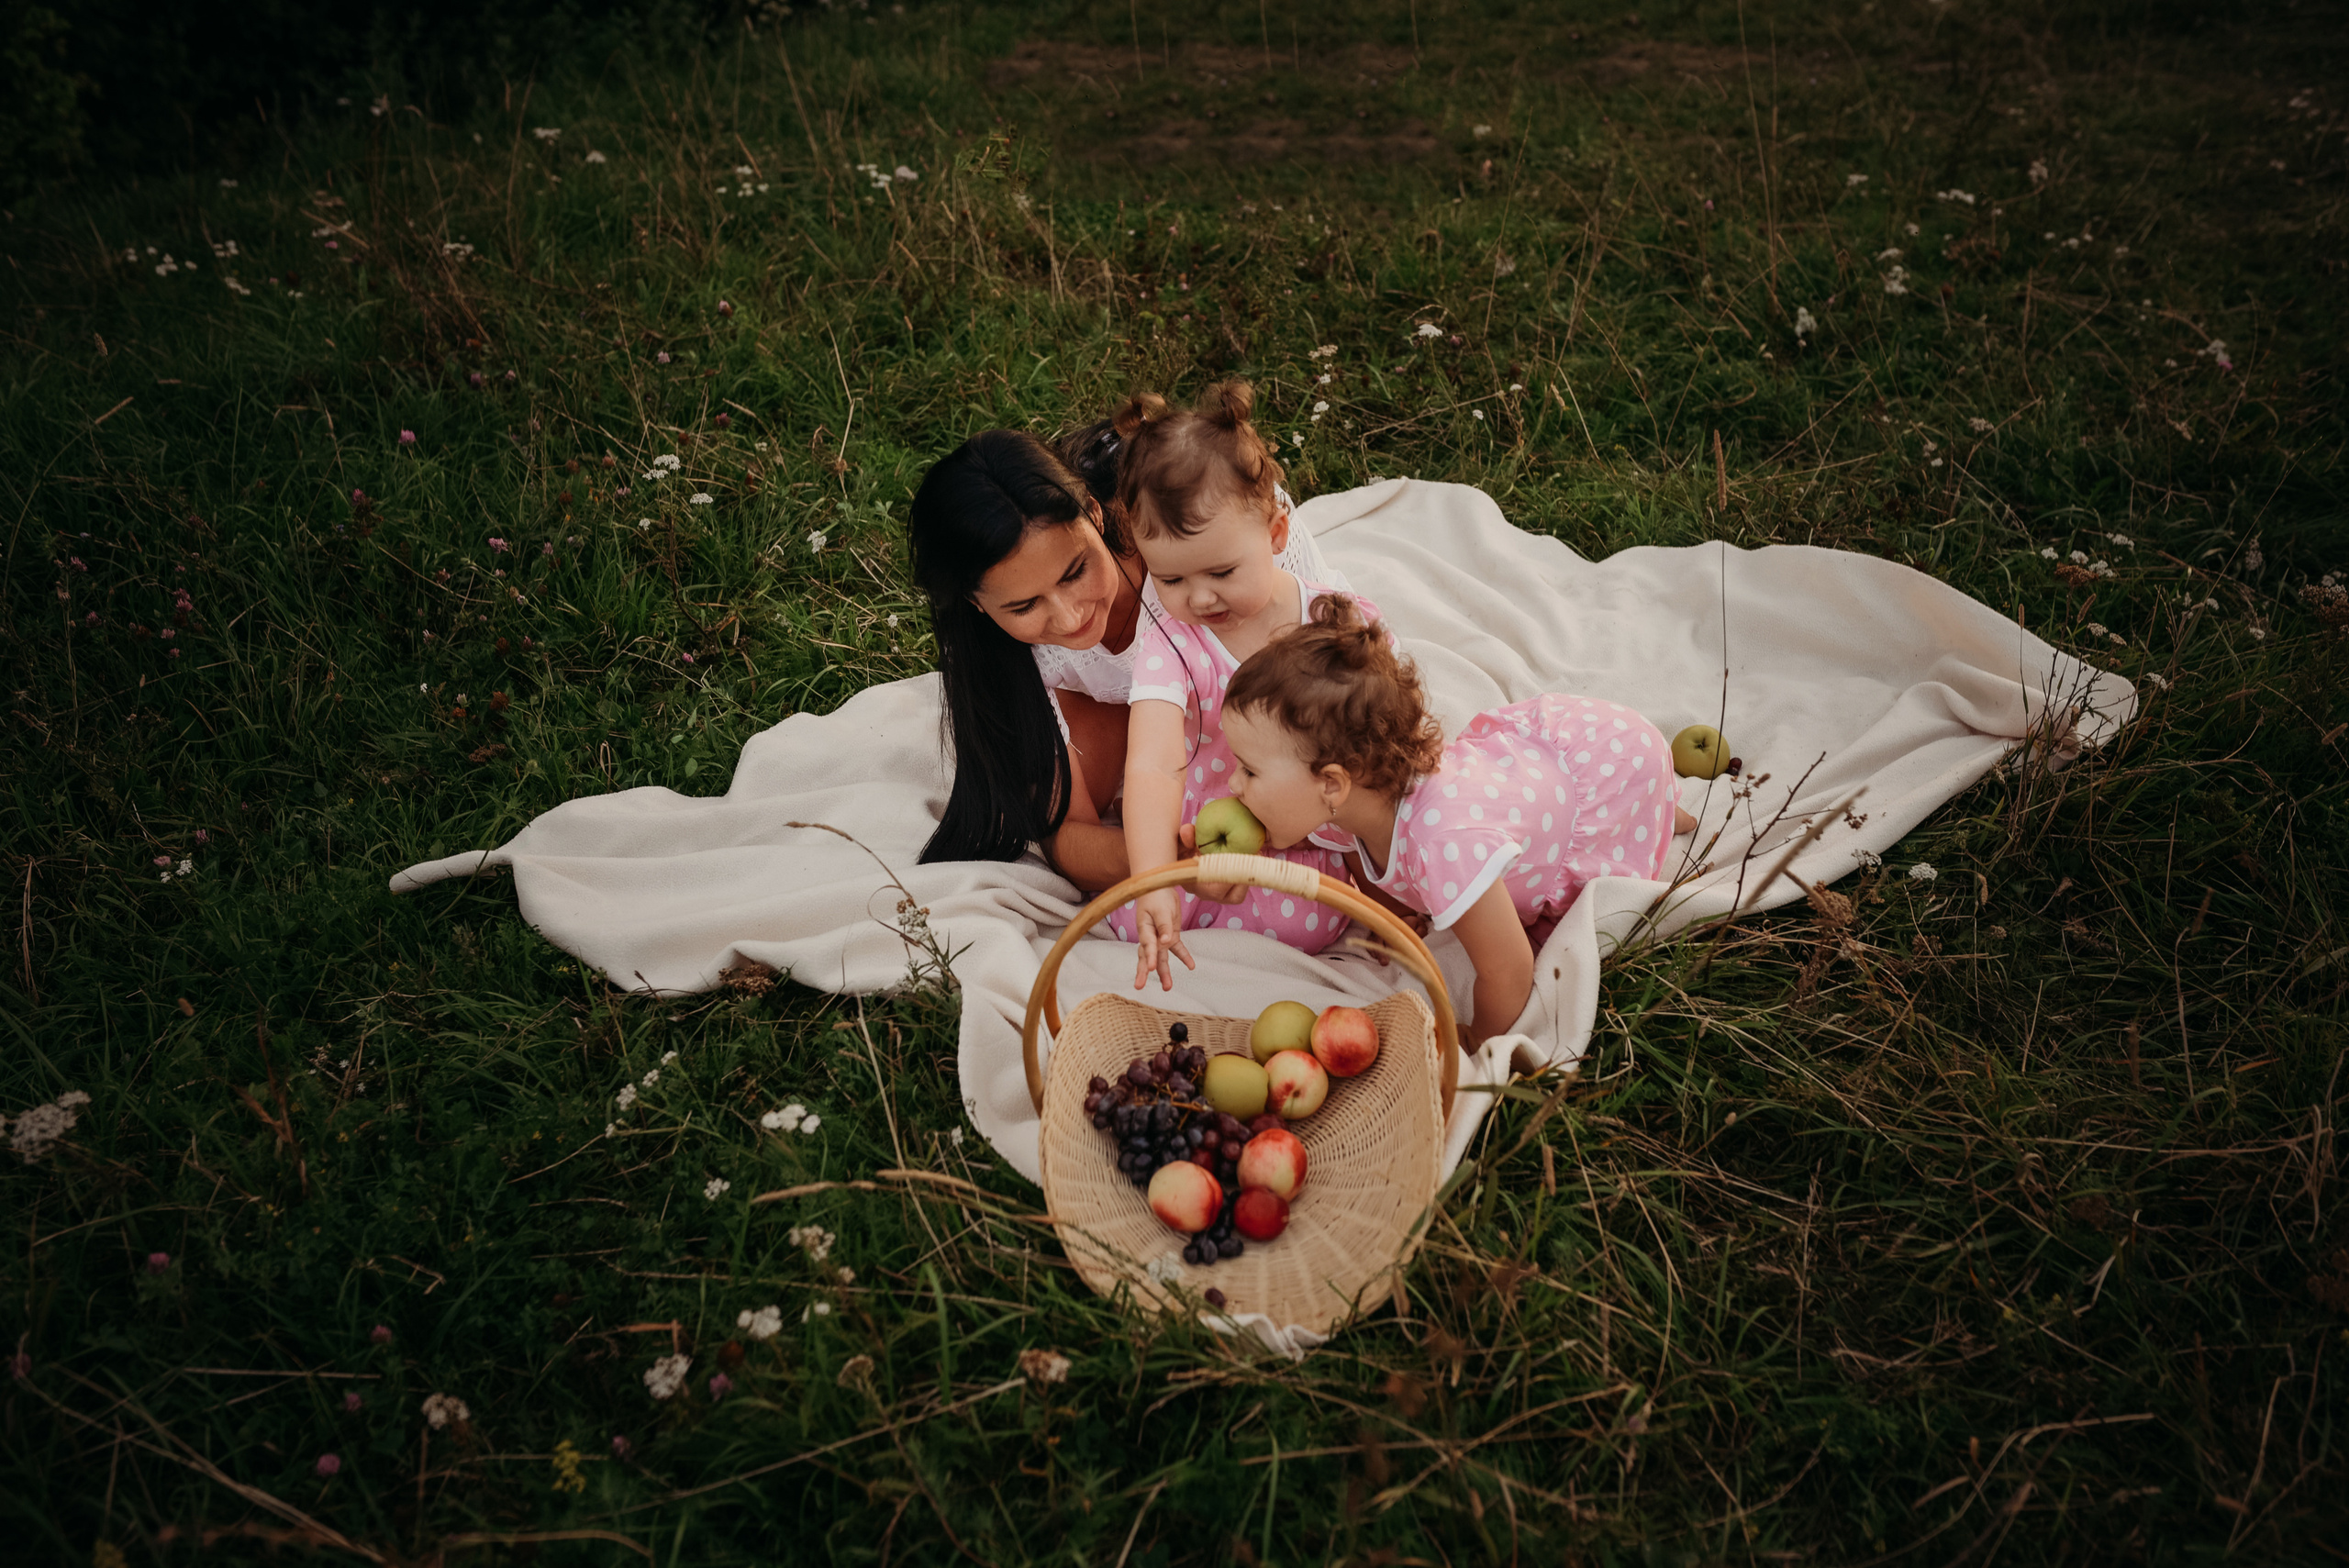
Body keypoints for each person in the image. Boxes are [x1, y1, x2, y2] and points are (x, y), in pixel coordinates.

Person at [1218, 594, 1698, 1049]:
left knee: (1643, 805)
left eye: (1250, 769)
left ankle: (1659, 808)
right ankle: (1661, 804)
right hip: (1535, 769)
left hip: (1610, 766)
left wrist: (1480, 1038)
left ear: (1332, 782)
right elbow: (1358, 856)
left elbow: (1509, 969)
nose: (1233, 786)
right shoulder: (1343, 805)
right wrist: (1394, 916)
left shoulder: (1443, 843)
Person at [905, 421, 1342, 889]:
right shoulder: (1002, 654)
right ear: (978, 604)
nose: (1071, 618)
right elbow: (1066, 836)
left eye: (1075, 572)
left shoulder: (1206, 535)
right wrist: (1171, 859)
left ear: (1094, 514)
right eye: (1025, 605)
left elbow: (1344, 678)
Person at [1111, 382, 1379, 990]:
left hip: (1310, 831)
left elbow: (1379, 738)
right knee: (1136, 914)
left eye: (1223, 571)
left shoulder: (1332, 621)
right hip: (1206, 830)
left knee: (1311, 914)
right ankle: (1182, 916)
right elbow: (1153, 764)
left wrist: (1377, 863)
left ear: (1277, 534)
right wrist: (1154, 878)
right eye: (1171, 578)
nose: (1200, 597)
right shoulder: (1171, 642)